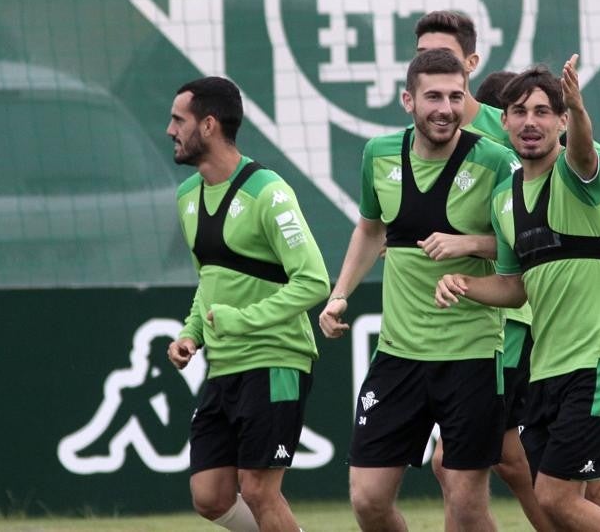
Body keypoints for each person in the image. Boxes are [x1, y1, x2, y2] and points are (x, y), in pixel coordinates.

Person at [418, 12, 600, 532]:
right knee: (562, 489)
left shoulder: (579, 175)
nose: (531, 121)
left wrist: (577, 107)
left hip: (599, 354)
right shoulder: (505, 195)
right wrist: (464, 284)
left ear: (561, 123)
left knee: (558, 494)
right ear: (501, 122)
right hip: (549, 363)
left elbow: (588, 160)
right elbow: (513, 286)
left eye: (544, 112)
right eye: (519, 113)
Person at [316, 48, 519, 531]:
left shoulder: (495, 161)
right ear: (408, 100)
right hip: (399, 355)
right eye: (433, 97)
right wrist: (339, 292)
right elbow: (369, 228)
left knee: (466, 504)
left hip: (470, 355)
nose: (445, 107)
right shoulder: (378, 154)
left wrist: (468, 242)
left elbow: (525, 242)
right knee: (367, 500)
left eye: (455, 96)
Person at [165, 76, 330, 532]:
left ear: (210, 125)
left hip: (276, 360)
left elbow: (314, 280)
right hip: (224, 365)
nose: (170, 130)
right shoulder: (186, 198)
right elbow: (211, 280)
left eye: (179, 120)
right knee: (211, 496)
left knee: (258, 490)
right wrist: (191, 334)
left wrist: (245, 320)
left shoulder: (268, 192)